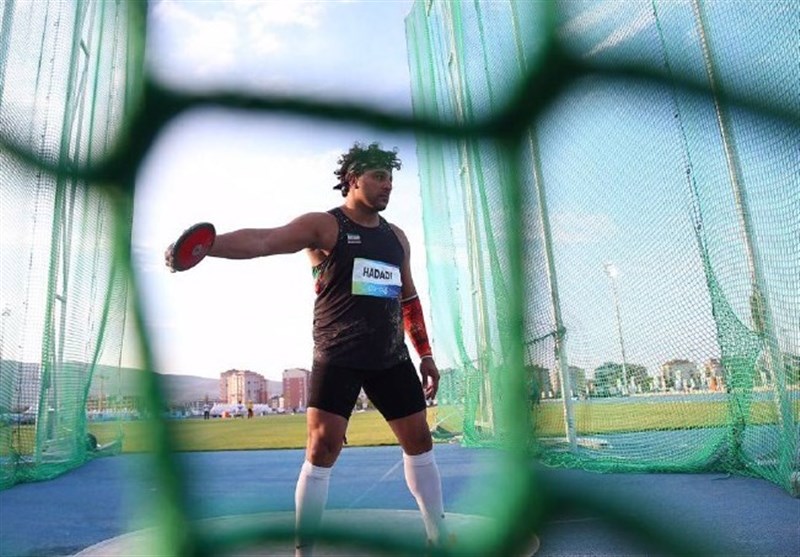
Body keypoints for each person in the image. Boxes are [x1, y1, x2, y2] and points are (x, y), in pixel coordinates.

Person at [165, 142, 448, 556]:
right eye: (378, 177)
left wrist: (425, 354)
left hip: (391, 358)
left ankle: (437, 537)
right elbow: (265, 240)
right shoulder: (326, 226)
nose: (388, 185)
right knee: (322, 448)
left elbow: (408, 299)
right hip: (339, 356)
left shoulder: (396, 238)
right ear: (353, 179)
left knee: (420, 441)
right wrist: (207, 247)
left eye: (391, 178)